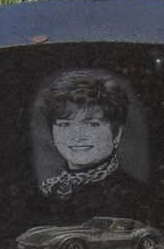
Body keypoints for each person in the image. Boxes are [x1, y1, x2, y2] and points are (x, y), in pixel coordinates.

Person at [38, 70, 135, 199]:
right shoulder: (48, 189)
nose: (77, 137)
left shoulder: (132, 195)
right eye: (64, 124)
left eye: (92, 124)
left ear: (117, 133)